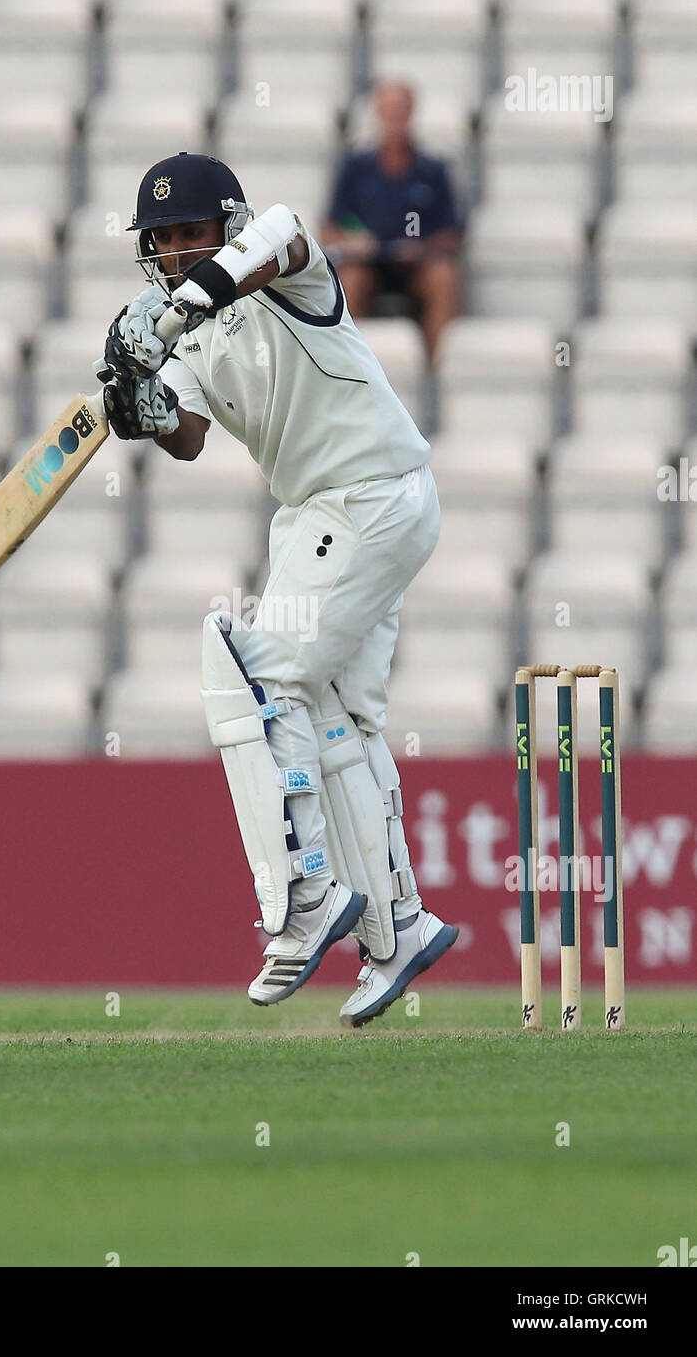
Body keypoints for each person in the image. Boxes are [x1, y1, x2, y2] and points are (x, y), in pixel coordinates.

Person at [95, 151, 458, 1028]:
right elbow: (186, 436)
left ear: (225, 226)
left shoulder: (282, 272)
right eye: (165, 241)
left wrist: (179, 308)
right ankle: (396, 926)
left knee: (250, 670)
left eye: (194, 234)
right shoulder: (191, 336)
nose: (180, 251)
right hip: (327, 512)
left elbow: (290, 230)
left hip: (367, 495)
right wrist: (139, 405)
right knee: (340, 717)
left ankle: (301, 895)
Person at [321, 81, 461, 360]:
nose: (395, 118)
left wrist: (422, 248)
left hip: (418, 266)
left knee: (443, 278)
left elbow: (452, 235)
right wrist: (355, 242)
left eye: (400, 110)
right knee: (350, 280)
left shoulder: (433, 170)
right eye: (388, 111)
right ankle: (353, 367)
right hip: (369, 264)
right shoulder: (356, 168)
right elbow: (330, 230)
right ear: (377, 114)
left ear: (411, 113)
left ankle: (435, 371)